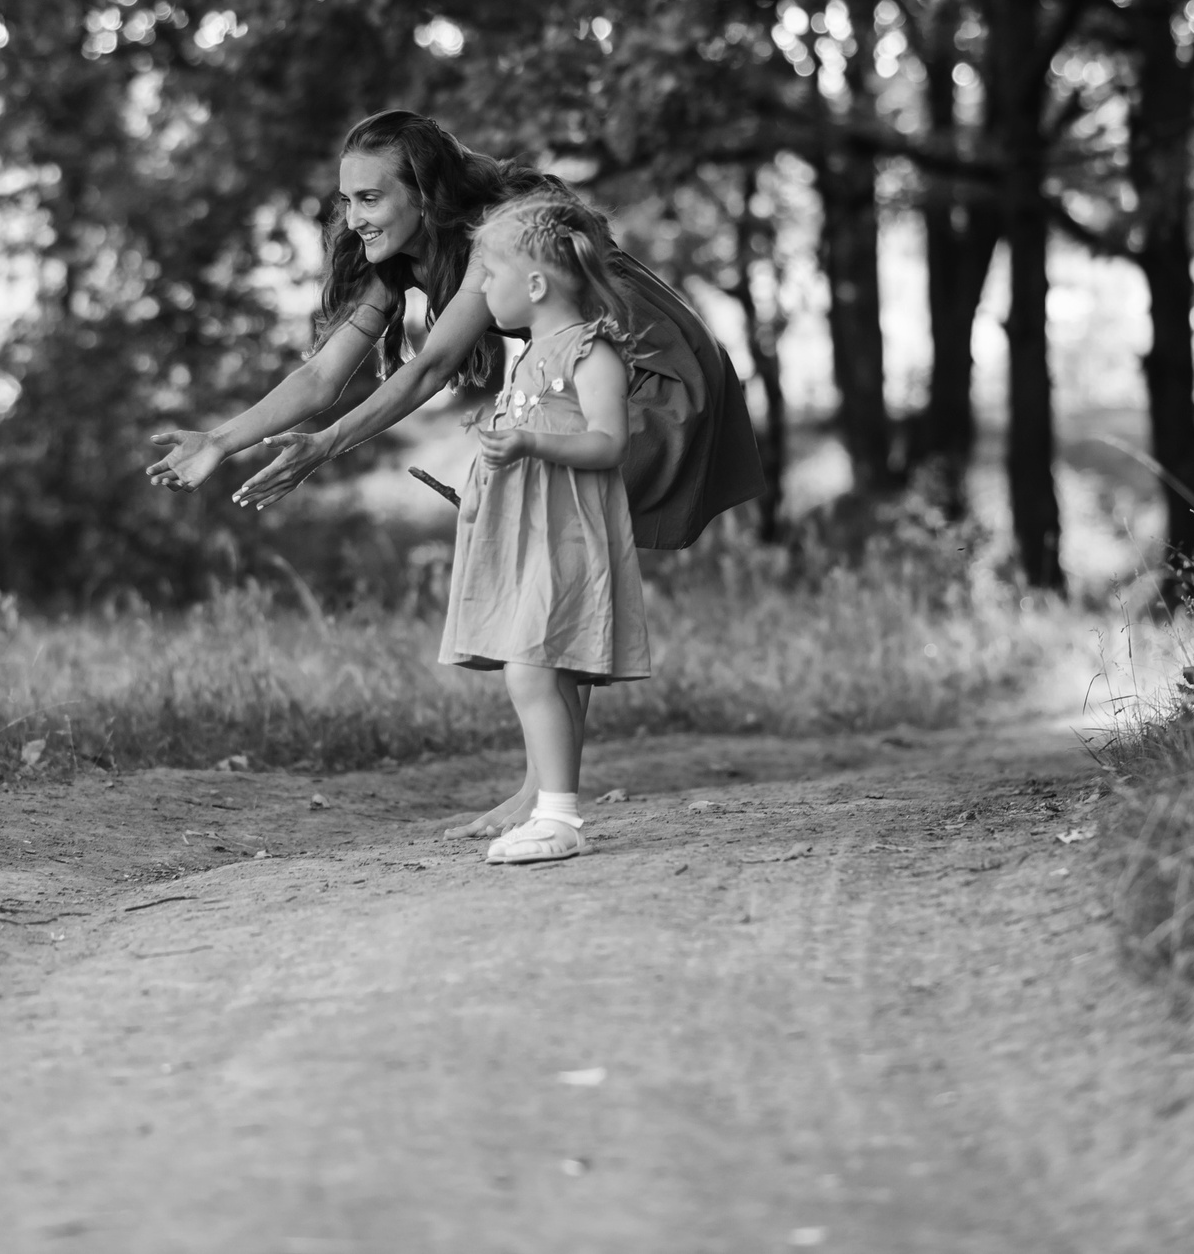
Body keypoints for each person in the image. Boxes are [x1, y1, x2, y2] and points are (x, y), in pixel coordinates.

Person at [145, 109, 765, 835]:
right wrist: (222, 439)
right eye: (346, 200)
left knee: (549, 558)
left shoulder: (493, 233)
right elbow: (321, 377)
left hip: (650, 374)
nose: (353, 218)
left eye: (370, 198)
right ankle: (544, 787)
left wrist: (326, 445)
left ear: (425, 195)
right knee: (548, 560)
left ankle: (547, 793)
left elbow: (434, 365)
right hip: (590, 380)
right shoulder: (397, 262)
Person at [441, 197, 652, 864]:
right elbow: (537, 434)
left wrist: (529, 441)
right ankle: (547, 807)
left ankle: (559, 817)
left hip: (569, 537)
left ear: (534, 285)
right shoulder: (531, 355)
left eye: (487, 277)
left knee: (531, 673)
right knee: (538, 671)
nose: (480, 293)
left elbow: (607, 443)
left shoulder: (590, 354)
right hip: (530, 536)